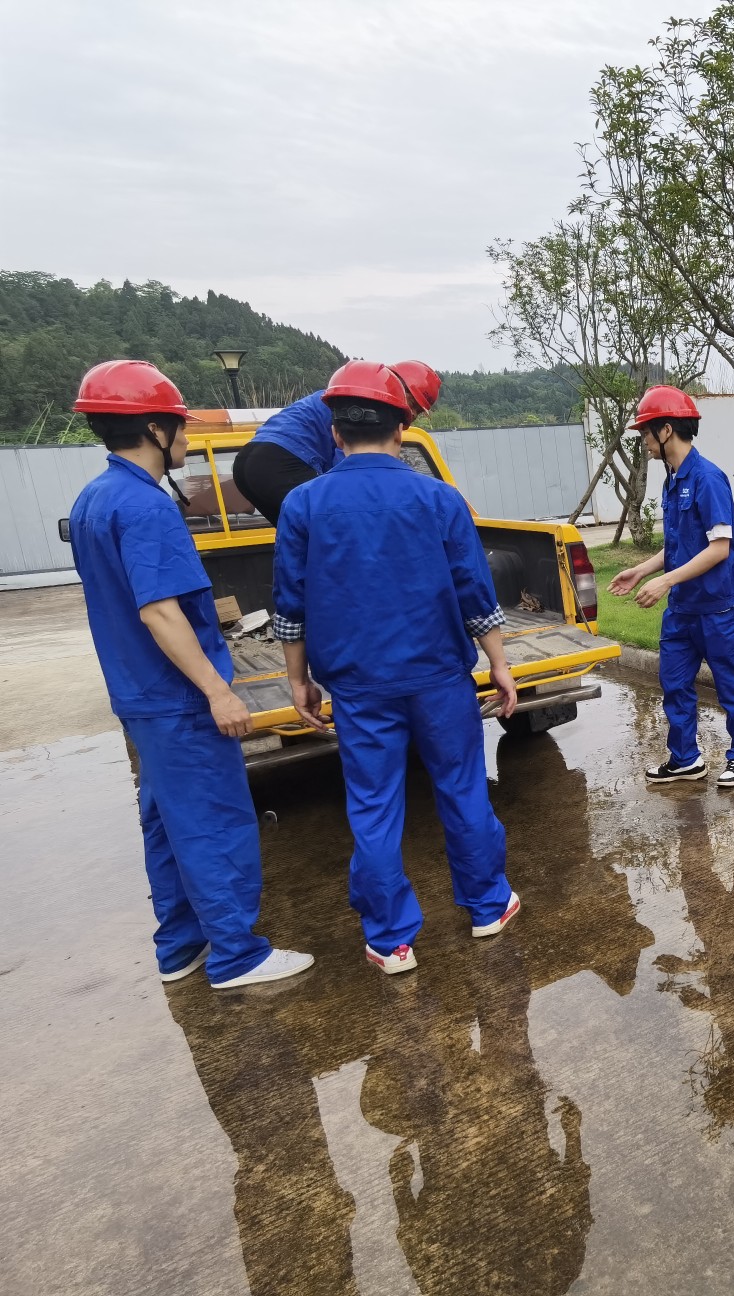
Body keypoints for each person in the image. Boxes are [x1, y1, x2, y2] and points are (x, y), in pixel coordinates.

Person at [65, 360, 313, 989]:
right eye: (179, 424)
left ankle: (181, 946)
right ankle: (237, 955)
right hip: (178, 700)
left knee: (168, 822)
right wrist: (217, 691)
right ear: (154, 428)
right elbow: (159, 611)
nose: (185, 435)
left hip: (140, 695)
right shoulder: (145, 506)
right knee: (214, 822)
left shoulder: (94, 498)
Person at [272, 360, 519, 975]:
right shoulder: (439, 499)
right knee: (461, 788)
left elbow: (291, 605)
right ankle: (488, 907)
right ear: (401, 429)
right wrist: (500, 664)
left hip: (358, 687)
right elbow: (474, 591)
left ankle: (391, 942)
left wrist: (298, 679)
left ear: (335, 432)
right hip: (440, 680)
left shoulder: (303, 504)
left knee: (374, 806)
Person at [607, 386, 734, 789]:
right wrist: (642, 570)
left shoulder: (708, 479)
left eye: (646, 432)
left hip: (718, 607)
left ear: (666, 430)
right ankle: (685, 759)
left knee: (731, 685)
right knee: (673, 683)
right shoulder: (672, 481)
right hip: (683, 608)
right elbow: (679, 546)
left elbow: (719, 548)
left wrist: (666, 581)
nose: (643, 440)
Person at [232, 359, 441, 525]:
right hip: (281, 462)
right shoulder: (360, 403)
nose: (412, 414)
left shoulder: (340, 394)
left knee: (304, 535)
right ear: (397, 385)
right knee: (343, 523)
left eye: (417, 411)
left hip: (247, 462)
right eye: (413, 404)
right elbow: (351, 468)